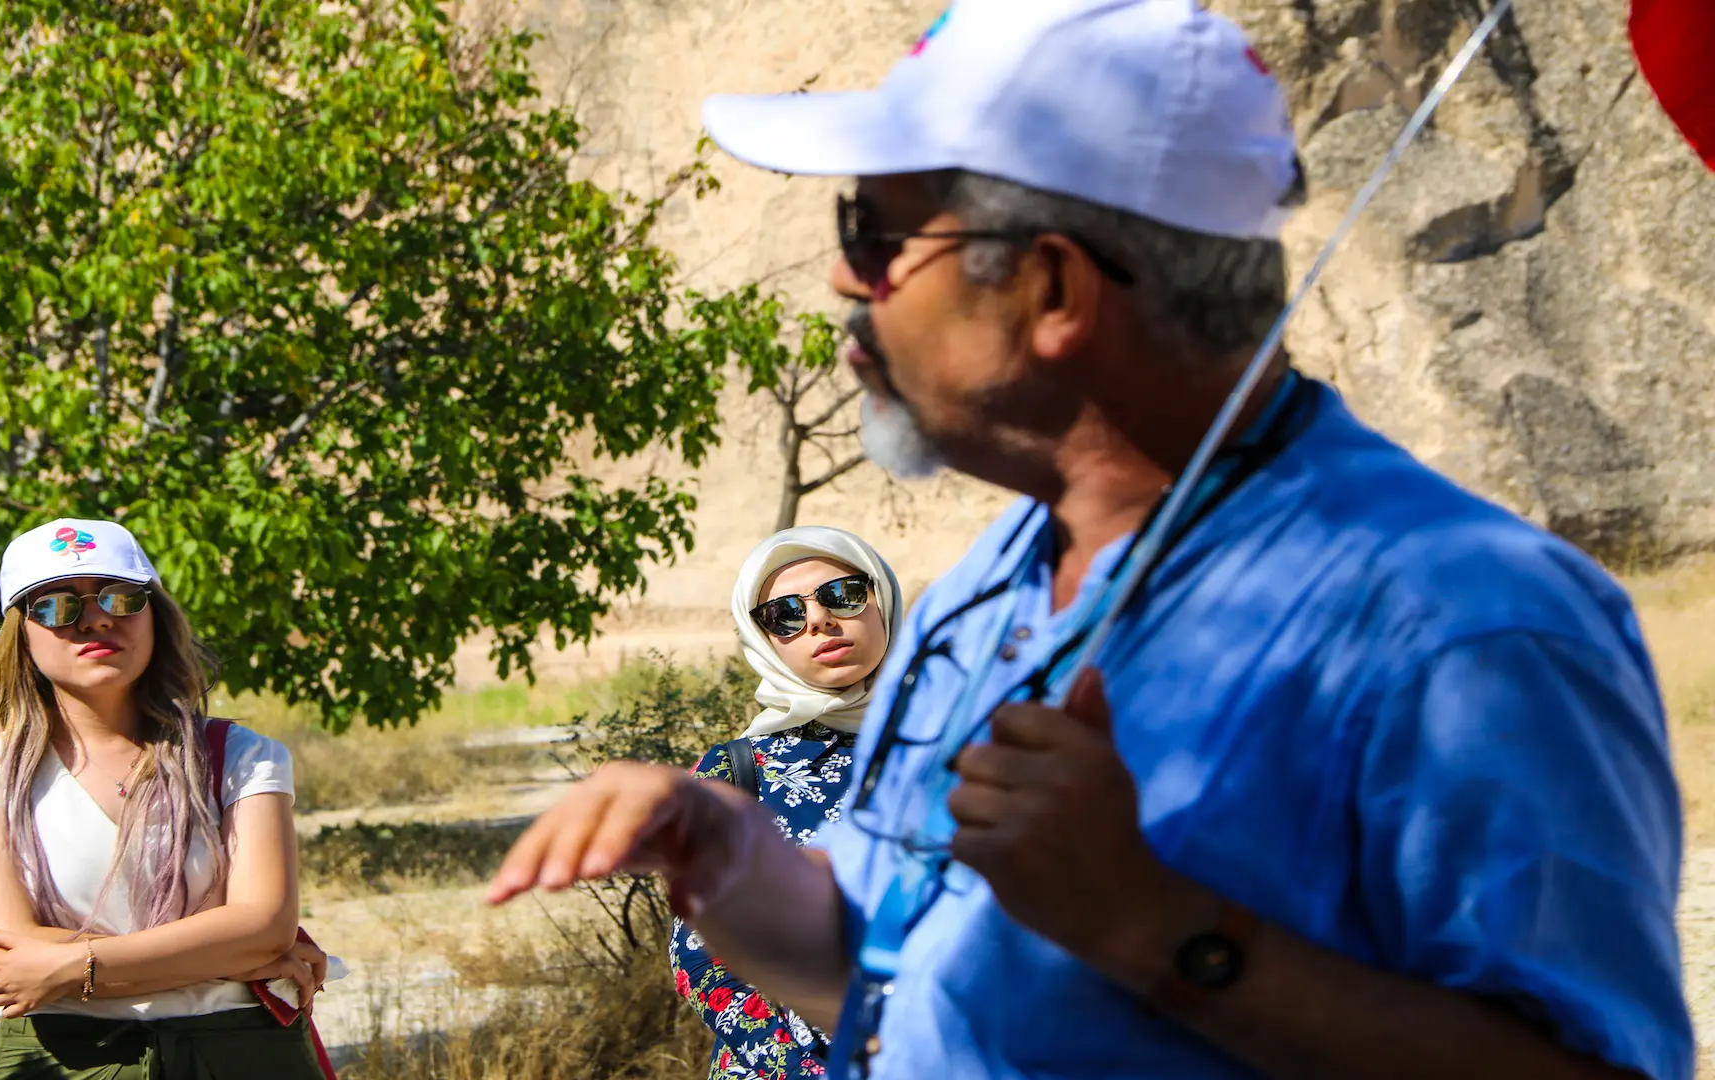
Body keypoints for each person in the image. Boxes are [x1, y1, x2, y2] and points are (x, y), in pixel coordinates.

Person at [488, 2, 1694, 1079]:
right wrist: (730, 854)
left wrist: (1148, 928)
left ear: (1054, 291)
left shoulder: (1465, 625)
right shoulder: (988, 582)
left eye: (874, 235)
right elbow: (880, 964)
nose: (845, 288)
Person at [0, 518, 329, 1079]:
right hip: (72, 1057)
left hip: (242, 1050)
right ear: (20, 634)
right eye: (56, 605)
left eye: (121, 596)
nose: (97, 617)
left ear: (155, 618)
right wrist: (232, 954)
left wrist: (74, 964)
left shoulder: (241, 757)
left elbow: (264, 926)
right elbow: (4, 959)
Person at [670, 527, 904, 1079]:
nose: (820, 621)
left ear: (883, 601)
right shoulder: (732, 772)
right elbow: (700, 958)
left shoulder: (954, 744)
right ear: (765, 640)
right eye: (785, 615)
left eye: (842, 596)